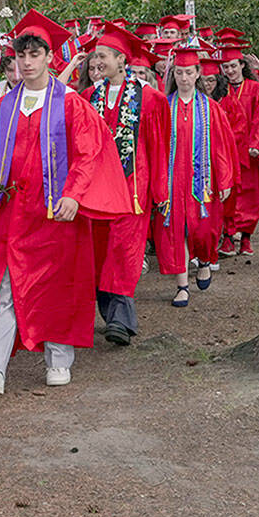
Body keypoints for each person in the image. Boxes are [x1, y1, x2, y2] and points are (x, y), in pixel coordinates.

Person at [0, 11, 129, 394]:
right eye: (22, 55)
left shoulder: (70, 103)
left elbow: (88, 154)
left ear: (51, 58)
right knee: (7, 282)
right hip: (13, 210)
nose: (28, 61)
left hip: (55, 212)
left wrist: (74, 194)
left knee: (57, 284)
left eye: (36, 54)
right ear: (15, 59)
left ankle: (58, 357)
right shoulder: (4, 104)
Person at [80, 23, 170, 344]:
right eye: (96, 57)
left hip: (134, 187)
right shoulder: (89, 96)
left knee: (124, 248)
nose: (98, 62)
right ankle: (115, 317)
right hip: (96, 189)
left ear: (122, 60)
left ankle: (119, 320)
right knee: (100, 250)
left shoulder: (151, 99)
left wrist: (161, 190)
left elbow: (159, 147)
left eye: (103, 56)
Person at [152, 47, 237, 307]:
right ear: (173, 74)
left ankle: (204, 260)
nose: (184, 78)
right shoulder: (164, 107)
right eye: (179, 73)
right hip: (173, 181)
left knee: (203, 231)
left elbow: (222, 147)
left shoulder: (210, 108)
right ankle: (182, 287)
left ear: (198, 73)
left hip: (203, 181)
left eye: (189, 72)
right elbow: (156, 148)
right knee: (176, 231)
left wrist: (224, 179)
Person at [218, 44, 259, 255]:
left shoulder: (256, 89)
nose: (230, 71)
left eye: (233, 66)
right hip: (228, 152)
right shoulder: (220, 91)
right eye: (226, 67)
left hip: (251, 152)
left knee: (252, 196)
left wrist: (257, 144)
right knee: (229, 194)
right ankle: (227, 237)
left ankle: (245, 238)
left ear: (242, 65)